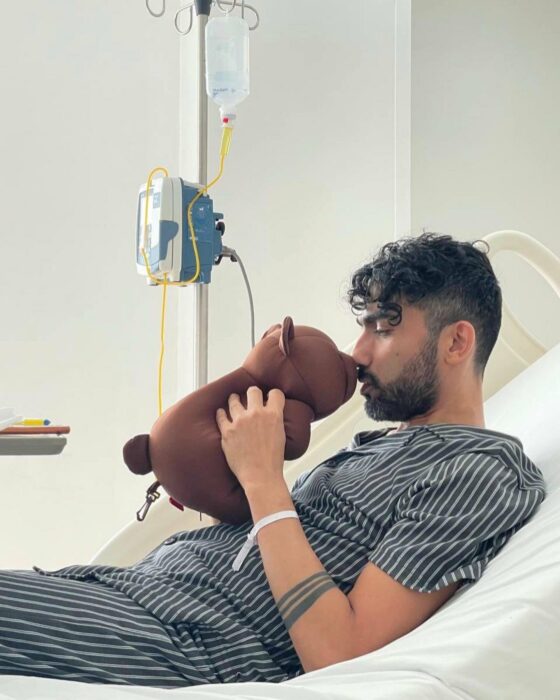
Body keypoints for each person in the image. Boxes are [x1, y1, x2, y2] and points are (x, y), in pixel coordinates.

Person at [0, 233, 546, 688]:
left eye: (384, 327)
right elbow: (269, 552)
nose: (357, 351)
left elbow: (339, 653)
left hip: (185, 640)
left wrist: (263, 481)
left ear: (456, 343)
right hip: (130, 594)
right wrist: (225, 481)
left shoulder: (480, 471)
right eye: (363, 327)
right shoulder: (380, 447)